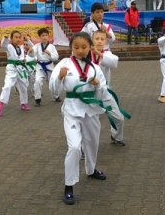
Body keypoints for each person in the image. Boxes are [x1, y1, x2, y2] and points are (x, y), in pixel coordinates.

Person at [49, 32, 108, 205]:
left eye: (84, 47)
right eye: (76, 47)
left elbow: (104, 92)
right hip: (72, 111)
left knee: (92, 143)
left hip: (91, 110)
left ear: (90, 47)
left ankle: (91, 170)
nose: (80, 50)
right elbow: (54, 90)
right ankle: (69, 185)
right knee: (74, 147)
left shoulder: (95, 68)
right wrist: (59, 77)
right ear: (71, 48)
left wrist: (98, 85)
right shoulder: (64, 64)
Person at [91, 30, 129, 146]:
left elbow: (114, 62)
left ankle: (116, 136)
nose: (99, 41)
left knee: (119, 118)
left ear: (106, 42)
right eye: (96, 39)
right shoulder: (86, 54)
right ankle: (84, 147)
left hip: (104, 92)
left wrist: (100, 54)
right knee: (89, 123)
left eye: (102, 39)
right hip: (88, 94)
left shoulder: (107, 54)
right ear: (92, 40)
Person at [0, 30, 31, 117]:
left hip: (21, 69)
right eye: (16, 37)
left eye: (19, 37)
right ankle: (0, 105)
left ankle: (24, 103)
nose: (18, 39)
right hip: (12, 69)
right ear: (12, 39)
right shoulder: (9, 46)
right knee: (7, 86)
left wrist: (28, 40)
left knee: (23, 87)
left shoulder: (21, 47)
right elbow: (3, 45)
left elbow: (31, 48)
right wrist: (5, 39)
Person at [30, 28, 60, 106]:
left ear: (48, 36)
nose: (44, 37)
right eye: (42, 35)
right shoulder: (37, 46)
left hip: (49, 66)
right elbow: (32, 54)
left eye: (46, 35)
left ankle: (56, 96)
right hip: (40, 66)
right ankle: (38, 99)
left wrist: (49, 53)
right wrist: (30, 52)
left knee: (53, 83)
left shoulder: (52, 46)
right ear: (40, 37)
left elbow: (56, 57)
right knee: (37, 81)